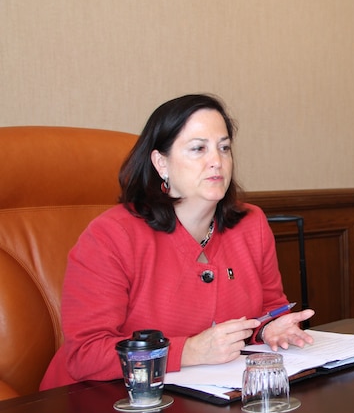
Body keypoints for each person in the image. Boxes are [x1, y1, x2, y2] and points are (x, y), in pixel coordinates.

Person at [40, 94, 314, 389]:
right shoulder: (111, 236)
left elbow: (269, 307)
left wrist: (272, 328)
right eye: (198, 149)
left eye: (224, 148)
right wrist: (188, 351)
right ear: (161, 163)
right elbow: (85, 354)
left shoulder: (250, 223)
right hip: (97, 404)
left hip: (202, 399)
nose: (216, 161)